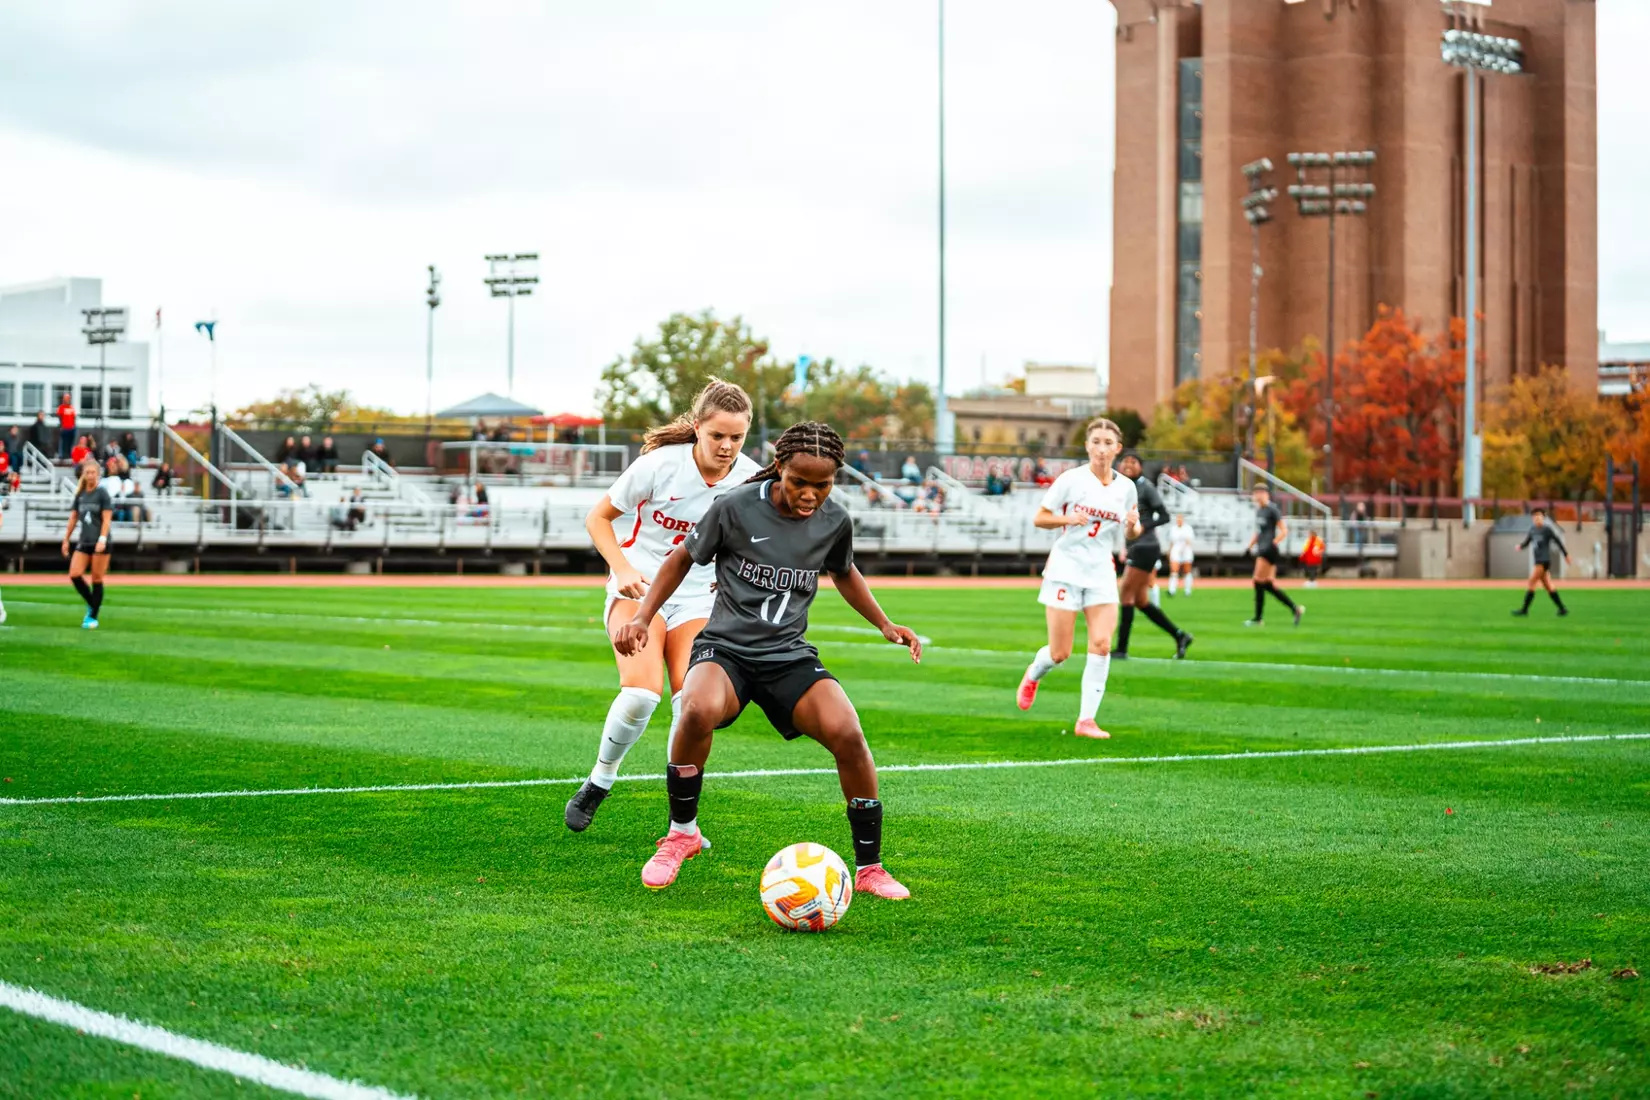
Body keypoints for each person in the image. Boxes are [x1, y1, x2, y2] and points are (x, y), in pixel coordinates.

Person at [613, 420, 921, 899]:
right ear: (779, 468)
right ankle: (681, 834)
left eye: (822, 485)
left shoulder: (834, 521)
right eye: (799, 482)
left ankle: (870, 868)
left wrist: (885, 624)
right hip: (727, 650)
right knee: (694, 709)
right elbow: (678, 560)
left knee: (848, 732)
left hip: (788, 655)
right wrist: (642, 616)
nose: (809, 494)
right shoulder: (734, 508)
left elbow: (845, 571)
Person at [564, 380, 763, 832]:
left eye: (736, 437)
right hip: (640, 593)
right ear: (697, 429)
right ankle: (600, 781)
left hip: (697, 599)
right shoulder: (658, 466)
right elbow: (598, 519)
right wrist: (622, 570)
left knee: (692, 708)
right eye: (717, 436)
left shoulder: (750, 480)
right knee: (639, 695)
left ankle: (682, 828)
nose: (727, 446)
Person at [1015, 418, 1142, 739]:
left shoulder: (1127, 487)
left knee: (1101, 644)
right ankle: (1034, 672)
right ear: (1087, 446)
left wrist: (1132, 526)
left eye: (1108, 443)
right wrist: (1067, 517)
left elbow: (1133, 531)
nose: (1101, 449)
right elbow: (1040, 517)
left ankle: (1086, 721)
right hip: (1065, 569)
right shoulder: (1071, 480)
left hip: (1101, 571)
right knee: (1060, 653)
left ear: (1118, 448)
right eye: (1096, 442)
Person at [1112, 454, 1191, 660]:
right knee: (1140, 601)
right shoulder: (1121, 487)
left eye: (1133, 462)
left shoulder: (1145, 487)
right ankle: (1180, 635)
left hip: (1145, 546)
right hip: (1136, 546)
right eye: (1125, 462)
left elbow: (1164, 515)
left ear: (1140, 467)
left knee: (1126, 594)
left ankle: (1121, 649)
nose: (1128, 465)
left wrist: (1143, 528)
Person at [62, 460, 112, 629]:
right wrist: (66, 539)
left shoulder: (102, 493)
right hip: (84, 541)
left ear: (98, 474)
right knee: (75, 574)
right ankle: (93, 603)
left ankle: (93, 617)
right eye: (88, 472)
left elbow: (106, 519)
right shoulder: (81, 495)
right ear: (84, 474)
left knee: (97, 578)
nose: (90, 475)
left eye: (93, 472)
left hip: (100, 542)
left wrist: (102, 539)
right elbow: (73, 518)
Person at [1245, 485, 1303, 626]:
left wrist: (1273, 543)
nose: (1256, 495)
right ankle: (1295, 609)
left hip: (1268, 550)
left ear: (1265, 494)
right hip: (1262, 548)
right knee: (1267, 584)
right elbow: (1258, 532)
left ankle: (1258, 619)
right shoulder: (1260, 511)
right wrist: (1249, 546)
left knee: (1257, 580)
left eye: (1258, 492)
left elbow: (1284, 530)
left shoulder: (1272, 509)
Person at [1514, 508, 1571, 617]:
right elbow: (1527, 541)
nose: (1537, 518)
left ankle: (1524, 610)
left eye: (1539, 516)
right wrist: (1520, 546)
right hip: (1538, 560)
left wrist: (1565, 554)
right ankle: (1562, 609)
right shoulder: (1532, 530)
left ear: (1543, 518)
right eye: (1535, 516)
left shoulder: (1547, 530)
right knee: (1548, 586)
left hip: (1544, 561)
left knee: (1531, 582)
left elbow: (1557, 541)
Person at [1166, 514, 1195, 595]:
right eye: (1177, 519)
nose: (1179, 521)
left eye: (1180, 519)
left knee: (1187, 571)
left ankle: (1187, 590)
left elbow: (1189, 541)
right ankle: (1172, 590)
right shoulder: (1173, 529)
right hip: (1176, 551)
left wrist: (1184, 549)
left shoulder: (1187, 529)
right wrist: (1170, 551)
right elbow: (1171, 542)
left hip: (1186, 551)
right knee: (1174, 570)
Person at [56, 394, 76, 459]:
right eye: (66, 398)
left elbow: (73, 417)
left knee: (70, 442)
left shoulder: (71, 407)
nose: (67, 400)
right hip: (64, 428)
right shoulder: (61, 407)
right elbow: (59, 417)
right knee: (63, 442)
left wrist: (73, 426)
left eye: (68, 398)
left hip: (71, 428)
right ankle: (62, 455)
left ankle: (69, 454)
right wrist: (62, 425)